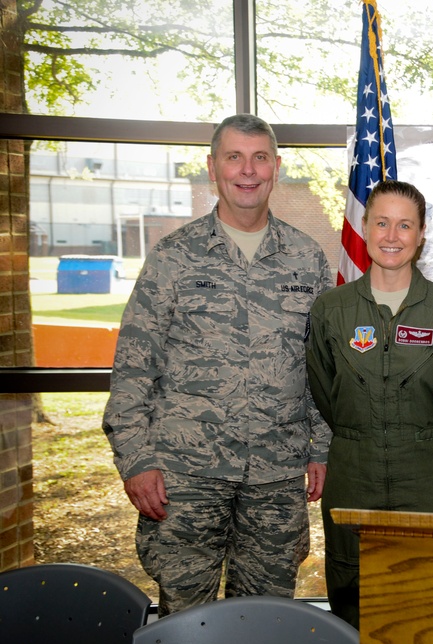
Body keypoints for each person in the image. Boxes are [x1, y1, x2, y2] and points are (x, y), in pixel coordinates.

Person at [103, 114, 334, 615]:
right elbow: (134, 367)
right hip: (186, 477)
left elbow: (322, 366)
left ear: (276, 166)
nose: (247, 171)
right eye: (234, 157)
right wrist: (136, 459)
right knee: (186, 623)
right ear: (213, 167)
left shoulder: (306, 259)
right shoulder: (174, 257)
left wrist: (321, 447)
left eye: (259, 157)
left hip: (277, 476)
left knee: (267, 620)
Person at [306, 180, 433, 629]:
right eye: (382, 222)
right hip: (353, 470)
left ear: (421, 234)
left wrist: (420, 439)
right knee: (355, 601)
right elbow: (324, 390)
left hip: (429, 474)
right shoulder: (332, 310)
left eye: (405, 225)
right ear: (364, 228)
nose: (392, 235)